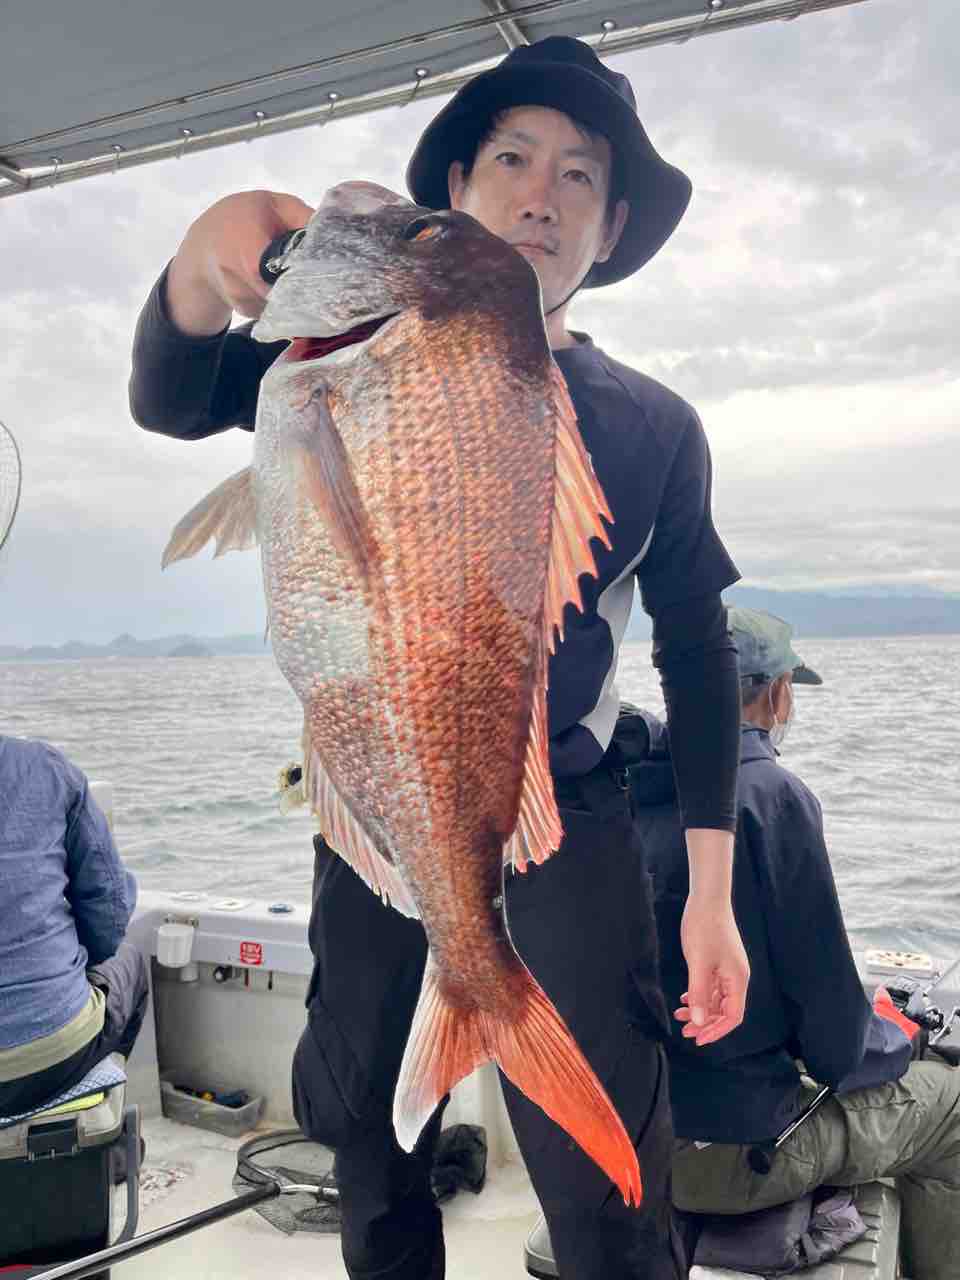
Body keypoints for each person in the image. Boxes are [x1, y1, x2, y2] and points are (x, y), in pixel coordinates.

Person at [129, 36, 749, 1280]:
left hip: (565, 811)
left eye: (579, 175)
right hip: (376, 790)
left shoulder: (655, 426)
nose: (541, 194)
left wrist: (713, 895)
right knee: (362, 1120)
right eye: (512, 158)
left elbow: (697, 648)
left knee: (607, 1187)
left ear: (613, 227)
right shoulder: (341, 351)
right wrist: (205, 259)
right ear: (458, 187)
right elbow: (172, 389)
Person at [635, 606, 960, 1280]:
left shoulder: (624, 790)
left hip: (631, 1147)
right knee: (952, 1108)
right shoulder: (773, 796)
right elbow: (837, 1048)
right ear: (778, 694)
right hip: (732, 1161)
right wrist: (896, 1038)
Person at [0, 735, 149, 1117]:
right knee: (130, 962)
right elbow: (109, 916)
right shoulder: (44, 767)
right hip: (50, 1057)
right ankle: (105, 1123)